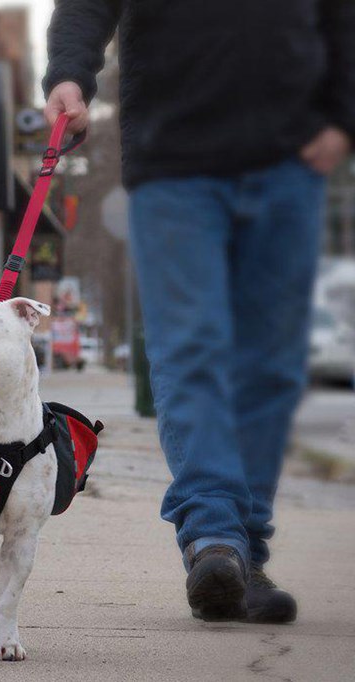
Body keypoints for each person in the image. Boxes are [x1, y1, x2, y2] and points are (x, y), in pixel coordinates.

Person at [43, 0, 353, 623]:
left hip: (290, 159)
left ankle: (245, 548)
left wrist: (343, 118)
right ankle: (213, 533)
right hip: (174, 159)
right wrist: (68, 75)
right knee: (192, 344)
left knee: (270, 364)